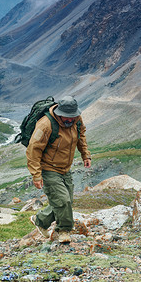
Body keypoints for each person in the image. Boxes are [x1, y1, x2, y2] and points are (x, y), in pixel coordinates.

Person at [27, 95, 91, 243]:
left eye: (72, 117)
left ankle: (40, 220)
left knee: (66, 201)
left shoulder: (77, 119)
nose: (69, 120)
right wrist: (36, 175)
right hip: (48, 168)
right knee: (63, 201)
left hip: (65, 168)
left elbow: (81, 136)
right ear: (58, 113)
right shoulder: (45, 125)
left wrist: (85, 155)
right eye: (66, 118)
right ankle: (64, 231)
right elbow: (33, 150)